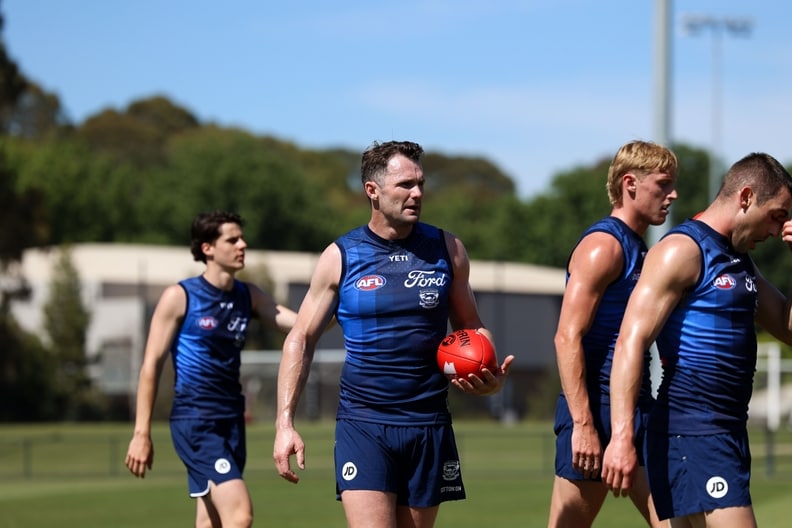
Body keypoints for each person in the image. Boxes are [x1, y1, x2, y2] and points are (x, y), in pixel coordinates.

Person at [272, 140, 514, 528]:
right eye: (405, 185)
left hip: (428, 423)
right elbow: (300, 338)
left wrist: (488, 374)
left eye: (420, 184)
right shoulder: (341, 256)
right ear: (373, 190)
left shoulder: (448, 249)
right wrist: (285, 423)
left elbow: (471, 326)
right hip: (363, 423)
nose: (417, 193)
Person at [602, 152, 792, 527]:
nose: (776, 230)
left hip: (726, 432)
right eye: (776, 215)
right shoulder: (682, 250)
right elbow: (630, 342)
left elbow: (788, 330)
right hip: (692, 433)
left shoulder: (739, 260)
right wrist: (621, 437)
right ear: (746, 197)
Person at [125, 210, 297, 528]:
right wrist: (141, 434)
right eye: (232, 239)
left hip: (232, 422)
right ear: (207, 249)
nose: (242, 244)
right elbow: (150, 367)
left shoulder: (249, 296)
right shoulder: (180, 297)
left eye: (242, 238)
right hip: (196, 422)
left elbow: (301, 326)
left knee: (210, 521)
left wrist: (343, 300)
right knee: (240, 515)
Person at [547, 140, 678, 528]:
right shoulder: (603, 246)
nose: (672, 196)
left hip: (635, 405)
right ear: (630, 184)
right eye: (663, 184)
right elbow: (566, 336)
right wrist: (584, 426)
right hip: (597, 409)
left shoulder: (640, 247)